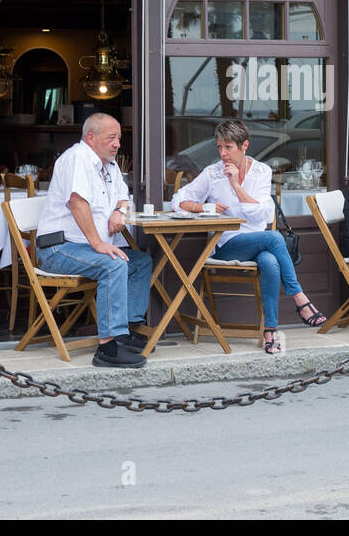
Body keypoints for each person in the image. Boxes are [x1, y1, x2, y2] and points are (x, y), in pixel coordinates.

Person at [171, 119, 326, 354]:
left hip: (258, 243)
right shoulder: (212, 173)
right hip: (224, 245)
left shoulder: (261, 171)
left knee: (270, 260)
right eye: (219, 147)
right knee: (274, 238)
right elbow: (178, 200)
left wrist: (236, 185)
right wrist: (201, 208)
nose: (222, 154)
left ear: (244, 146)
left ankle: (270, 331)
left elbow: (263, 214)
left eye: (228, 147)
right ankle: (300, 299)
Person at [36, 113, 153, 369]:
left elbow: (125, 197)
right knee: (113, 264)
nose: (117, 144)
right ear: (91, 138)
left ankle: (127, 331)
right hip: (58, 248)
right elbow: (77, 201)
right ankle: (108, 348)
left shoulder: (109, 165)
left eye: (119, 138)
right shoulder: (78, 158)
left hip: (86, 249)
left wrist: (119, 211)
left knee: (140, 262)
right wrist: (99, 244)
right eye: (112, 138)